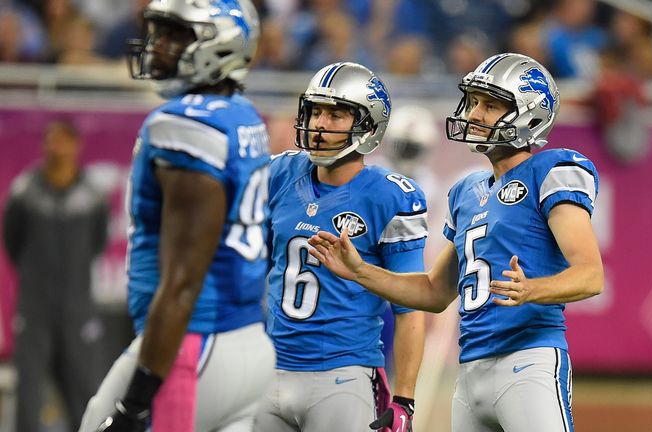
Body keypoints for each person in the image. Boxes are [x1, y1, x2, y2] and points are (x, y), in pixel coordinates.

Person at [308, 53, 605, 432]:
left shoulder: (552, 171)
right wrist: (361, 271)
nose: (476, 114)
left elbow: (590, 275)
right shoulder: (467, 191)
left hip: (529, 362)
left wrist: (534, 289)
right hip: (470, 374)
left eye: (491, 105)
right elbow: (434, 292)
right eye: (476, 102)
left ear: (528, 114)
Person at [78, 0, 275, 431]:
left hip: (194, 346)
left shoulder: (184, 124)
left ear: (218, 44)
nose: (157, 46)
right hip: (247, 342)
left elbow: (183, 282)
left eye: (174, 35)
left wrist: (135, 404)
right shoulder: (240, 114)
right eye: (159, 33)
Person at [255, 62, 427, 432]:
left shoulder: (389, 195)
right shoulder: (279, 174)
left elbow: (411, 305)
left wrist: (405, 399)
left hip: (342, 374)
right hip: (270, 368)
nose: (319, 123)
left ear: (368, 125)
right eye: (316, 111)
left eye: (335, 115)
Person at [2, 119, 109, 432]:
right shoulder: (24, 192)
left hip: (77, 310)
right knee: (29, 395)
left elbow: (96, 245)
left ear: (77, 146)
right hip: (34, 311)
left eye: (62, 140)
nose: (55, 147)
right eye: (50, 140)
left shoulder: (92, 197)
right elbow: (13, 243)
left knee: (84, 391)